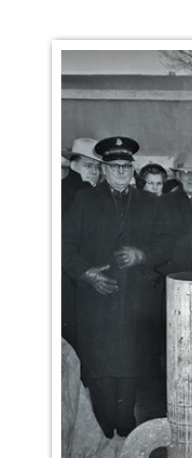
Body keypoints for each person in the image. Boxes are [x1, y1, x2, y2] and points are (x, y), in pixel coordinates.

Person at [62, 136, 171, 438]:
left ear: (132, 169)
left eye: (126, 166)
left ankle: (125, 426)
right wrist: (87, 275)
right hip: (96, 299)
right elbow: (65, 247)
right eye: (115, 166)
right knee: (100, 367)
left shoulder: (151, 203)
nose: (121, 171)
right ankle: (102, 429)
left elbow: (167, 245)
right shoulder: (84, 201)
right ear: (104, 168)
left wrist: (142, 254)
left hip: (135, 302)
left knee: (132, 366)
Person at [61, 137, 103, 347]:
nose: (94, 171)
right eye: (88, 166)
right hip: (74, 278)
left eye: (97, 167)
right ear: (73, 164)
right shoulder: (79, 195)